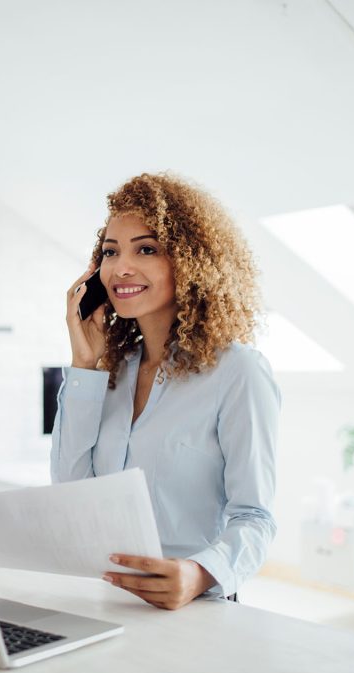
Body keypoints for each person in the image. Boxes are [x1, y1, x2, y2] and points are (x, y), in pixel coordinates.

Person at [51, 172, 280, 610]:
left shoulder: (238, 372)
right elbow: (70, 494)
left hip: (195, 606)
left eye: (147, 249)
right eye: (110, 252)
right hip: (105, 598)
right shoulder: (111, 373)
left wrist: (199, 574)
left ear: (191, 262)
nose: (120, 268)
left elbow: (255, 517)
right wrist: (84, 367)